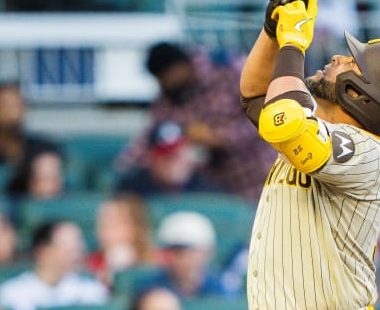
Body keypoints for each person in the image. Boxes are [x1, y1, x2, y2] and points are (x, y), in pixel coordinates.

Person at [239, 0, 380, 310]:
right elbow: (255, 96)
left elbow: (283, 121)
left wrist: (293, 45)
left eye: (351, 63)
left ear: (361, 93)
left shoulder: (369, 153)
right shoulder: (310, 128)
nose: (338, 57)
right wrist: (272, 34)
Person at [115, 42, 276, 202]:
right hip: (223, 187)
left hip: (263, 170)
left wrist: (220, 138)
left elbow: (268, 115)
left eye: (165, 77)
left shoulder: (227, 71)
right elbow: (146, 141)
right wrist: (121, 170)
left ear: (179, 67)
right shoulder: (168, 99)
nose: (163, 84)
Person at [0, 220, 108, 310]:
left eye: (78, 246)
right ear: (43, 251)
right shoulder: (12, 293)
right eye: (68, 247)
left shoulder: (92, 291)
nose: (77, 253)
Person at [115, 120, 221, 197]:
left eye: (178, 155)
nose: (174, 163)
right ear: (150, 158)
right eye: (167, 157)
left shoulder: (206, 191)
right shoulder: (131, 188)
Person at [141, 211, 226, 299]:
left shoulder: (220, 289)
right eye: (176, 252)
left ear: (208, 252)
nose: (184, 259)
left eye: (191, 252)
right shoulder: (149, 288)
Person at [88, 194, 157, 287]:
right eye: (101, 223)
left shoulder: (154, 261)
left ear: (134, 227)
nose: (102, 230)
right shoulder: (91, 264)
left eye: (111, 223)